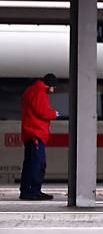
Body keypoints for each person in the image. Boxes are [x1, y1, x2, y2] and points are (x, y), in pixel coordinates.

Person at [20, 73, 59, 201]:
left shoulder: (31, 90)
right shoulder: (40, 92)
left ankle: (27, 191)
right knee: (38, 164)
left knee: (30, 163)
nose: (53, 91)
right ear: (50, 85)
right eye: (54, 87)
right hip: (36, 133)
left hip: (31, 133)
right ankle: (33, 191)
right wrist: (54, 114)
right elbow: (42, 111)